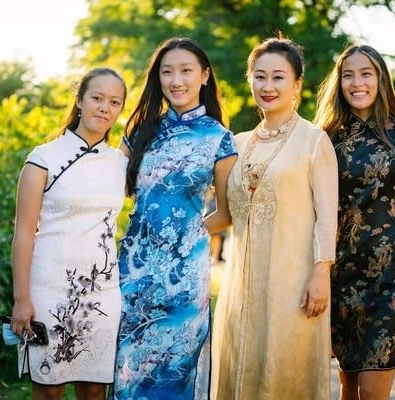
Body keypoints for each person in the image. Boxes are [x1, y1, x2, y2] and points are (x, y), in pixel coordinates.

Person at [211, 35, 338, 400]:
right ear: (249, 79)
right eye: (260, 76)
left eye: (278, 77)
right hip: (240, 288)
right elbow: (226, 214)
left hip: (293, 285)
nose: (268, 86)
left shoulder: (314, 142)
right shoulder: (236, 143)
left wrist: (320, 274)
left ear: (297, 85)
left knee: (284, 370)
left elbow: (328, 216)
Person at [111, 37, 237, 399]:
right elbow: (108, 190)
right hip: (133, 272)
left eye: (185, 71)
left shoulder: (220, 139)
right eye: (167, 72)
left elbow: (226, 213)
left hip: (185, 278)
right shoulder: (140, 132)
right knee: (128, 373)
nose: (176, 80)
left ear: (204, 76)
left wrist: (188, 234)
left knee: (171, 375)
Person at [313, 44, 395, 400]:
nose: (357, 83)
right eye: (348, 75)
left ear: (381, 79)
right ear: (339, 83)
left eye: (365, 73)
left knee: (372, 388)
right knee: (348, 385)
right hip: (342, 275)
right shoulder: (324, 140)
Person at [9, 67, 128, 399]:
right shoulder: (43, 159)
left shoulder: (120, 164)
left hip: (102, 293)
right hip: (48, 291)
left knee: (94, 392)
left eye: (114, 102)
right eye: (97, 98)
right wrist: (22, 299)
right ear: (80, 100)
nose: (104, 108)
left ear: (120, 110)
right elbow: (23, 234)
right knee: (49, 390)